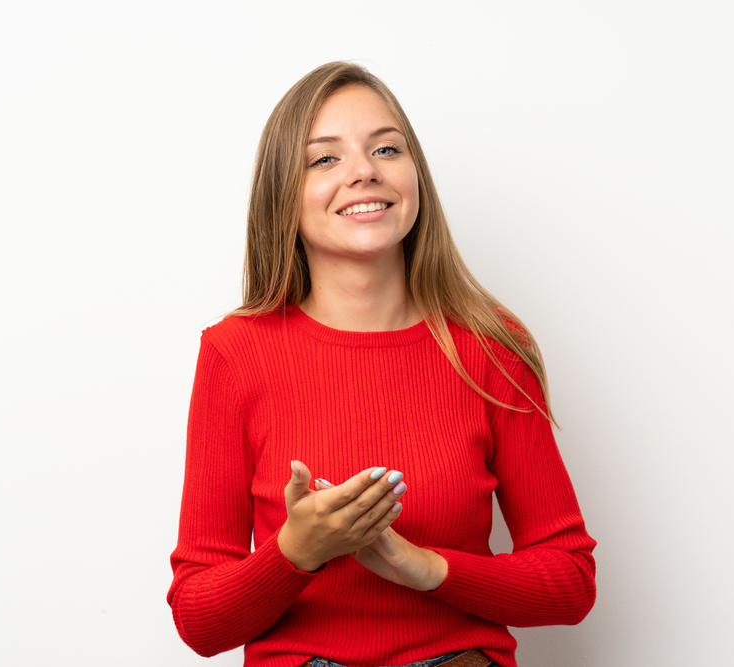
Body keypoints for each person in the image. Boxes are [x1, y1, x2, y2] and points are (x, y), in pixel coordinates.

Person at [167, 61, 596, 667]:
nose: (363, 172)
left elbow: (571, 580)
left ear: (413, 175)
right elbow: (199, 621)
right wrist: (297, 550)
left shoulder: (491, 346)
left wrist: (424, 568)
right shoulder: (236, 353)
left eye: (386, 149)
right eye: (325, 159)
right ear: (282, 197)